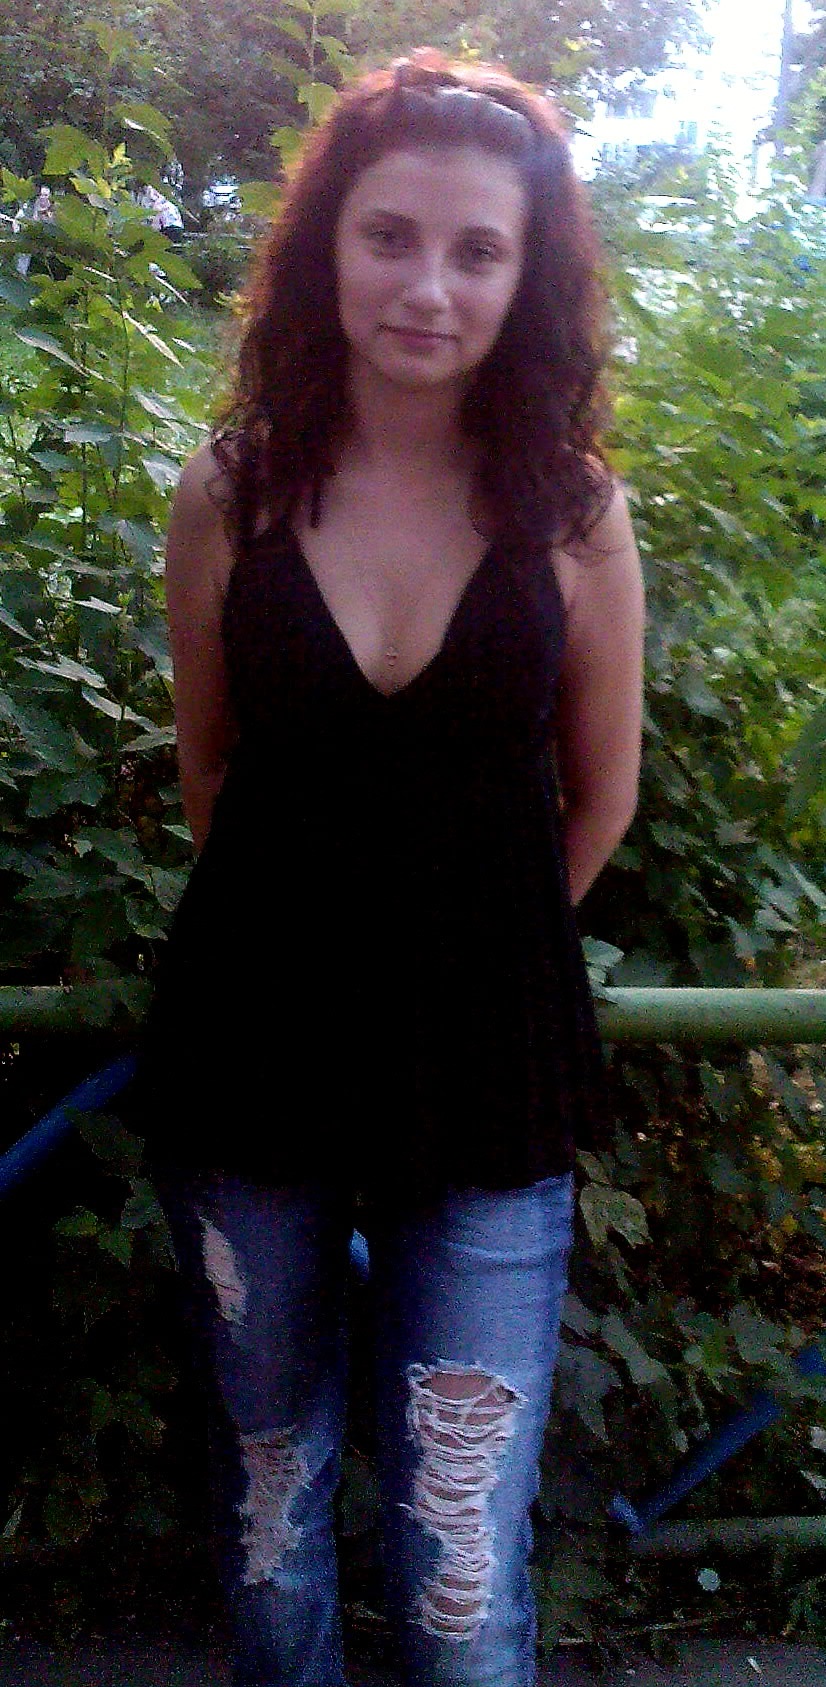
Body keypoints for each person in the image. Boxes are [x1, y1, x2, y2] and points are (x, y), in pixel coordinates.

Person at [139, 48, 645, 1687]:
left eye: (476, 249)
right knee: (268, 1511)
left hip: (488, 1072)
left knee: (459, 1556)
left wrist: (461, 959)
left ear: (526, 275)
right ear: (326, 248)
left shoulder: (574, 515)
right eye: (389, 236)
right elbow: (211, 771)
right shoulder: (231, 494)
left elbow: (601, 798)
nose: (427, 286)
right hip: (252, 1049)